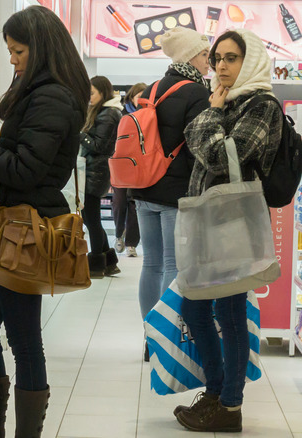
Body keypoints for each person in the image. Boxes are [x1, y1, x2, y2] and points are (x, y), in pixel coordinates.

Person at [0, 7, 89, 438]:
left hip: (25, 234)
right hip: (11, 232)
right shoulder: (43, 91)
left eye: (18, 50)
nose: (12, 59)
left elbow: (24, 172)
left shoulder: (52, 96)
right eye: (9, 50)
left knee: (23, 340)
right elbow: (25, 157)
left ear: (41, 48)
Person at [174, 29, 283, 433]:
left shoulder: (262, 105)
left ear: (249, 60)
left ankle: (229, 406)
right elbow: (202, 151)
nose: (221, 65)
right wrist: (215, 113)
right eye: (217, 57)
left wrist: (210, 112)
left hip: (235, 223)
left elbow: (222, 156)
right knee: (196, 305)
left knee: (230, 313)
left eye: (232, 57)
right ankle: (217, 392)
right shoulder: (227, 101)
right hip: (208, 221)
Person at [129, 27, 210, 361]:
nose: (210, 61)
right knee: (172, 266)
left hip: (143, 186)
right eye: (205, 54)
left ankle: (150, 337)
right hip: (175, 193)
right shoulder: (196, 93)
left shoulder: (152, 89)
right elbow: (198, 146)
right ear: (190, 56)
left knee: (151, 263)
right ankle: (165, 340)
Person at [80, 76, 122, 278]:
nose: (88, 97)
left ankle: (96, 264)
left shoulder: (108, 114)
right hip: (94, 171)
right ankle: (109, 262)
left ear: (103, 92)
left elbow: (99, 146)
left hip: (95, 172)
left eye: (91, 93)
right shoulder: (105, 112)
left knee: (92, 220)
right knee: (91, 219)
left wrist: (79, 132)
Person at [112, 82, 146, 258]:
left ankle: (132, 243)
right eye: (138, 94)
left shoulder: (149, 116)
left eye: (144, 94)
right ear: (131, 96)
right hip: (121, 163)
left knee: (134, 204)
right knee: (119, 202)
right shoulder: (121, 114)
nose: (140, 98)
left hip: (140, 165)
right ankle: (119, 234)